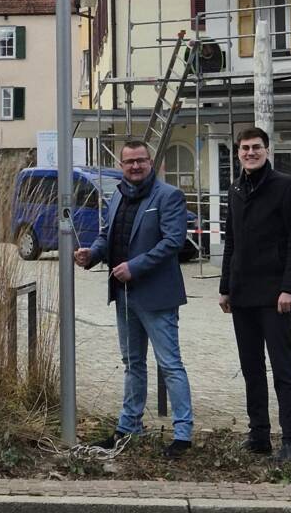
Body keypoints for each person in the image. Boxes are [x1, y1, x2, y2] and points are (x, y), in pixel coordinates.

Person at [74, 140, 194, 458]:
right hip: (123, 294)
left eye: (140, 161)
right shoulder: (117, 195)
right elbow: (106, 236)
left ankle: (183, 434)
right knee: (132, 365)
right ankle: (129, 428)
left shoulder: (168, 196)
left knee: (170, 364)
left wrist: (135, 267)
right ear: (122, 166)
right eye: (129, 162)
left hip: (156, 296)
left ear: (150, 161)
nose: (135, 167)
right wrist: (91, 254)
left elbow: (173, 241)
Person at [218, 127, 291, 463]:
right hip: (242, 295)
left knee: (283, 368)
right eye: (244, 148)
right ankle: (259, 435)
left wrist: (289, 288)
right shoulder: (236, 189)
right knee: (251, 368)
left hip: (275, 296)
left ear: (267, 150)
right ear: (238, 152)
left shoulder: (287, 187)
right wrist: (225, 287)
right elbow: (232, 242)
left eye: (256, 147)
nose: (250, 153)